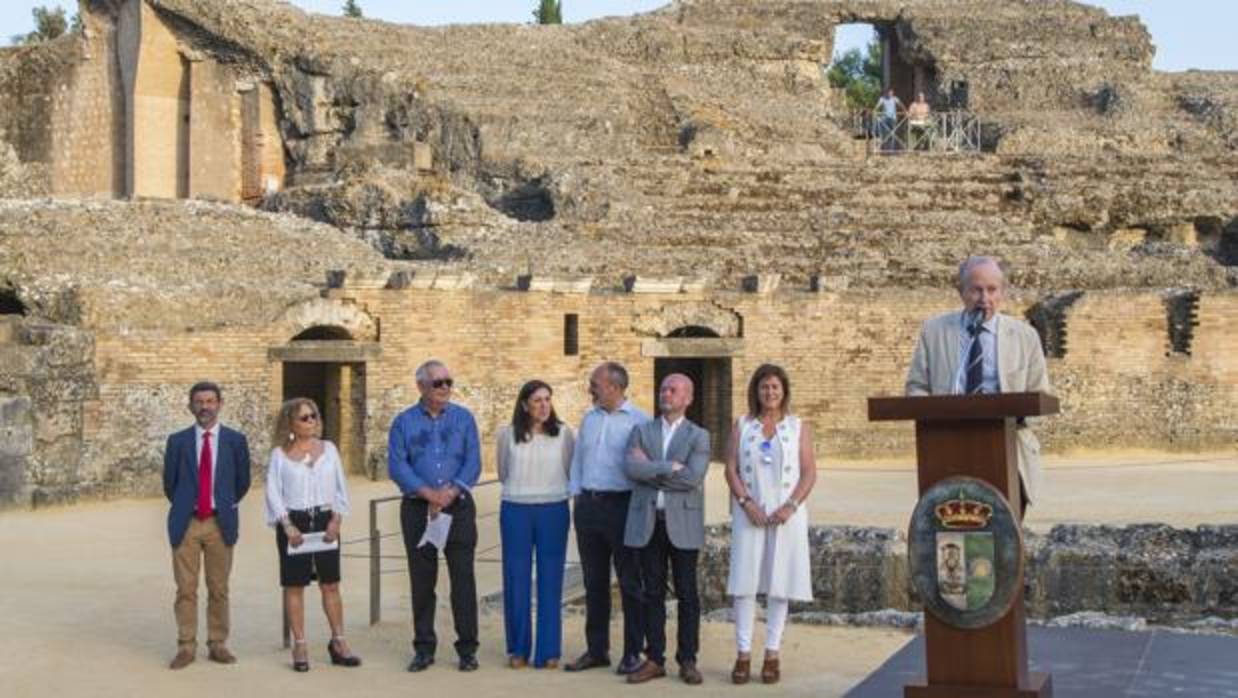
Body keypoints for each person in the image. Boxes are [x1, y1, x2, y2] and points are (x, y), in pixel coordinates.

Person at [905, 255, 1051, 516]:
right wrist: (935, 417)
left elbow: (1040, 395)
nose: (984, 298)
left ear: (1003, 292)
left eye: (992, 290)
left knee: (1005, 541)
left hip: (1009, 451)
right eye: (976, 289)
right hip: (946, 450)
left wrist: (1012, 414)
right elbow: (916, 387)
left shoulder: (1025, 337)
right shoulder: (934, 332)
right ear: (961, 292)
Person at [724, 364, 817, 685]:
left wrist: (790, 506)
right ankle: (743, 653)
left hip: (785, 514)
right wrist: (745, 503)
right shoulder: (743, 424)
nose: (770, 393)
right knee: (745, 582)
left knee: (780, 583)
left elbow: (809, 472)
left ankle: (773, 652)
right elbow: (731, 469)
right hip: (750, 511)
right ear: (756, 391)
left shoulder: (797, 426)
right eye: (764, 387)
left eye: (775, 387)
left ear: (784, 391)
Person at [389, 360, 482, 672]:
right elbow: (398, 465)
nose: (445, 388)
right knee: (421, 579)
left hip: (458, 507)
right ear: (421, 387)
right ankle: (424, 647)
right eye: (437, 383)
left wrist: (450, 493)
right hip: (419, 509)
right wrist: (429, 494)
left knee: (463, 579)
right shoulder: (403, 423)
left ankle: (467, 648)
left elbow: (473, 463)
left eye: (448, 381)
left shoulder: (464, 418)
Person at [622, 374, 712, 685]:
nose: (666, 394)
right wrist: (667, 466)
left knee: (688, 594)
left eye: (673, 390)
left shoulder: (699, 436)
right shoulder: (641, 430)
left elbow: (692, 478)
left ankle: (688, 659)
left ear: (688, 398)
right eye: (663, 389)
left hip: (683, 523)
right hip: (649, 523)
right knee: (652, 593)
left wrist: (651, 467)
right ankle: (655, 659)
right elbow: (631, 469)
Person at [564, 362, 650, 675]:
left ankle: (632, 653)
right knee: (593, 582)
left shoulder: (641, 422)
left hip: (623, 507)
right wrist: (577, 494)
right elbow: (577, 461)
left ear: (614, 387)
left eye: (595, 384)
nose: (590, 389)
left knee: (629, 582)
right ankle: (597, 650)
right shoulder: (589, 419)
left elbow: (646, 468)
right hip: (589, 507)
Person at [264, 397, 361, 672]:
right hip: (293, 522)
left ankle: (339, 642)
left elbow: (341, 487)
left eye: (314, 415)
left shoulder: (329, 449)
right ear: (290, 423)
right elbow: (273, 492)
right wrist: (287, 525)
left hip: (325, 518)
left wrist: (336, 519)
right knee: (294, 585)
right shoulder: (279, 455)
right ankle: (300, 644)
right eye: (305, 417)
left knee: (330, 583)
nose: (312, 421)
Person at [162, 381, 252, 670]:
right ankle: (186, 646)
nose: (205, 407)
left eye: (210, 401)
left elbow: (242, 482)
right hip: (186, 523)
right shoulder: (177, 441)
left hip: (219, 522)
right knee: (185, 589)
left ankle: (217, 643)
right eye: (199, 401)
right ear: (191, 406)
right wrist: (189, 503)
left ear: (219, 404)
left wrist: (220, 504)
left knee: (219, 588)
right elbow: (170, 484)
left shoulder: (235, 441)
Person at [497, 380, 575, 669]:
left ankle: (548, 650)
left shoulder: (565, 434)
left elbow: (570, 469)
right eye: (537, 401)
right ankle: (518, 648)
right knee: (516, 578)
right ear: (524, 405)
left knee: (551, 579)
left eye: (547, 399)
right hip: (516, 508)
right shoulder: (507, 435)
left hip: (553, 509)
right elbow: (504, 472)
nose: (544, 406)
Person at [873, 87, 904, 152]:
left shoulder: (895, 99)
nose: (890, 94)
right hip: (885, 118)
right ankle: (884, 148)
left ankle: (891, 149)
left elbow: (901, 104)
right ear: (886, 93)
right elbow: (877, 106)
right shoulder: (882, 99)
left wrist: (905, 111)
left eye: (891, 93)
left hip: (893, 118)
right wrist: (874, 110)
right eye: (889, 93)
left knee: (893, 133)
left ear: (893, 93)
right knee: (884, 133)